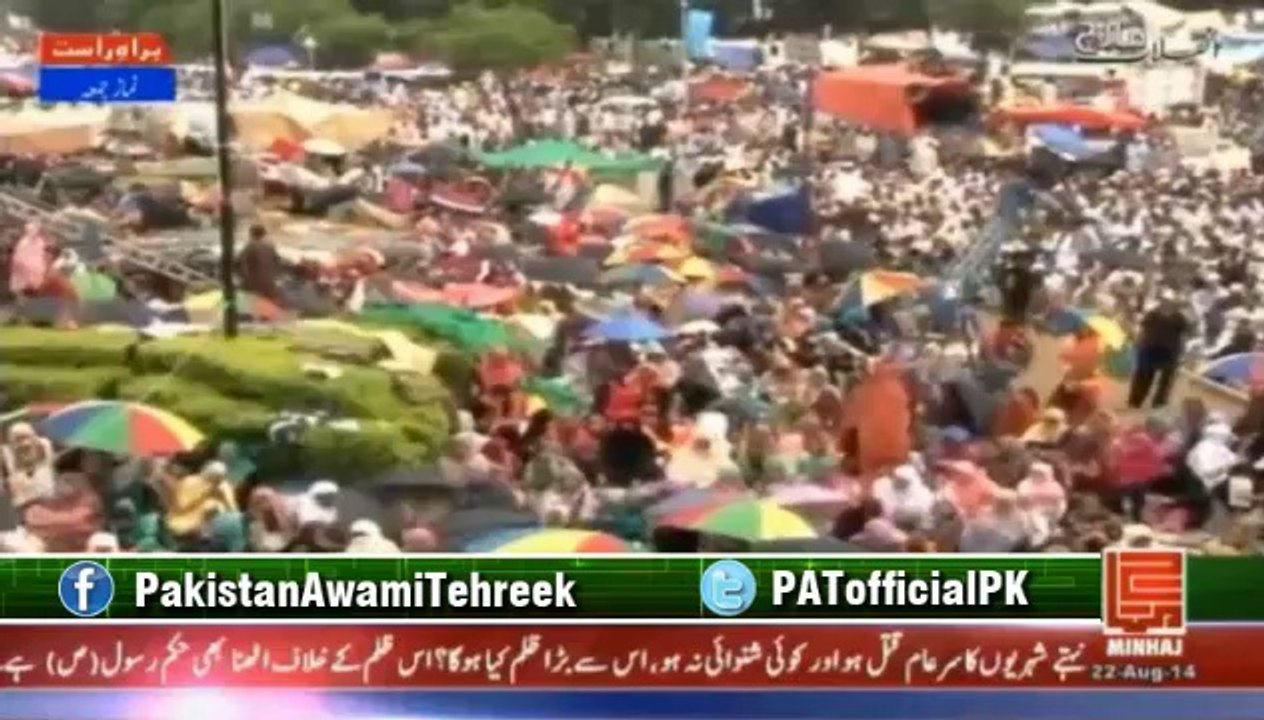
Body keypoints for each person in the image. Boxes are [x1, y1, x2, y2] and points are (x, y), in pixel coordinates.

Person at [1130, 292, 1191, 410]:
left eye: (1167, 301)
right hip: (1156, 349)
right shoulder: (1155, 314)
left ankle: (1155, 404)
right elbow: (1144, 330)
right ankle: (1138, 402)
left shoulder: (1178, 317)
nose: (1165, 303)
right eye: (1164, 301)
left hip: (1166, 350)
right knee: (1146, 376)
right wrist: (1139, 342)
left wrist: (1182, 353)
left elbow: (1184, 336)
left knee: (1161, 379)